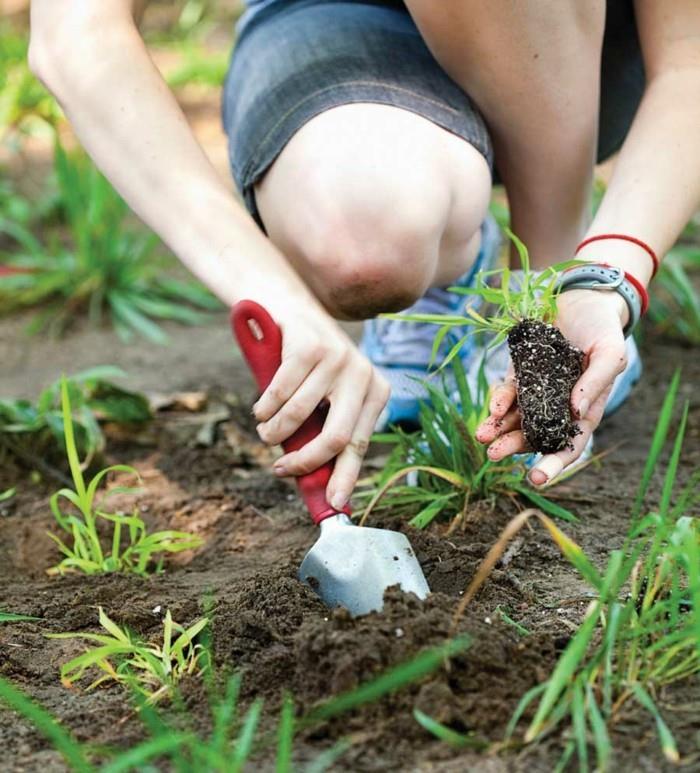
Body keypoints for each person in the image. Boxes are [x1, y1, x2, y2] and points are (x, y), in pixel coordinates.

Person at [29, 1, 700, 507]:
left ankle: (544, 292)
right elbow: (77, 37)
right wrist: (275, 295)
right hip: (337, 23)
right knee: (362, 243)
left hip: (579, 52)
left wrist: (600, 275)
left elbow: (689, 59)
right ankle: (458, 267)